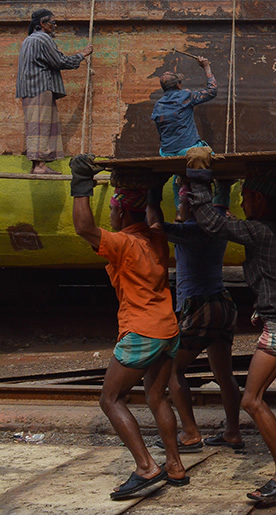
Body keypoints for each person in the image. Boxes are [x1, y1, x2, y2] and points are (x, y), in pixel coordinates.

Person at [184, 149, 276, 502]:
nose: (243, 202)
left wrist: (199, 179)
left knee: (251, 400)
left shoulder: (261, 231)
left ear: (259, 200)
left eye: (246, 197)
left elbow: (212, 223)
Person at [68, 156, 187, 500]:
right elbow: (154, 216)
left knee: (110, 398)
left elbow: (83, 229)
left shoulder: (123, 244)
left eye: (113, 211)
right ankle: (175, 465)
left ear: (121, 213)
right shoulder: (157, 238)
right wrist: (153, 190)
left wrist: (81, 185)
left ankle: (147, 467)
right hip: (167, 329)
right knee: (156, 396)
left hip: (142, 331)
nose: (110, 217)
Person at [147, 178, 243, 453]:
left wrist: (153, 192)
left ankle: (190, 433)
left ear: (190, 206)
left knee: (173, 370)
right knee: (224, 374)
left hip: (198, 306)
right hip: (222, 305)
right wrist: (221, 186)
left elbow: (154, 226)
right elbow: (220, 204)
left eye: (182, 202)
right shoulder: (218, 224)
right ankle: (232, 432)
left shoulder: (189, 231)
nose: (179, 207)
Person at [16, 9, 94, 175]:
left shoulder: (28, 40)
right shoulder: (43, 39)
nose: (55, 25)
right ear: (42, 24)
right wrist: (82, 54)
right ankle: (40, 166)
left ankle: (37, 164)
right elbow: (59, 61)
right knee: (41, 126)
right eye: (52, 22)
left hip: (30, 89)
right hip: (39, 87)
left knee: (35, 125)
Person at [151, 56, 217, 156]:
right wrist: (206, 67)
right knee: (213, 160)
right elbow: (212, 91)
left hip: (166, 153)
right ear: (178, 85)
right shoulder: (185, 96)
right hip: (188, 150)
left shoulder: (158, 105)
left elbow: (161, 133)